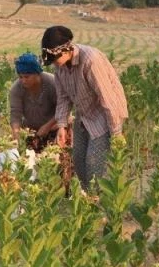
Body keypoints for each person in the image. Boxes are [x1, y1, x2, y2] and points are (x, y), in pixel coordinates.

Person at [41, 25, 128, 190]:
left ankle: (96, 205)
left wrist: (116, 134)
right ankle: (87, 200)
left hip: (105, 114)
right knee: (79, 160)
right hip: (84, 114)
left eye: (54, 58)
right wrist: (61, 125)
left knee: (94, 163)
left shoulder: (90, 60)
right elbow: (64, 98)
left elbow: (108, 99)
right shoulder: (60, 68)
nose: (54, 64)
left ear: (66, 50)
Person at [9, 52, 59, 153]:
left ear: (37, 73)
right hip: (31, 132)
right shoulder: (16, 89)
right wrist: (16, 134)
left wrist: (47, 127)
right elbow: (15, 114)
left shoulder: (52, 83)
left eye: (27, 77)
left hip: (55, 129)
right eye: (20, 77)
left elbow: (63, 109)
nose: (23, 80)